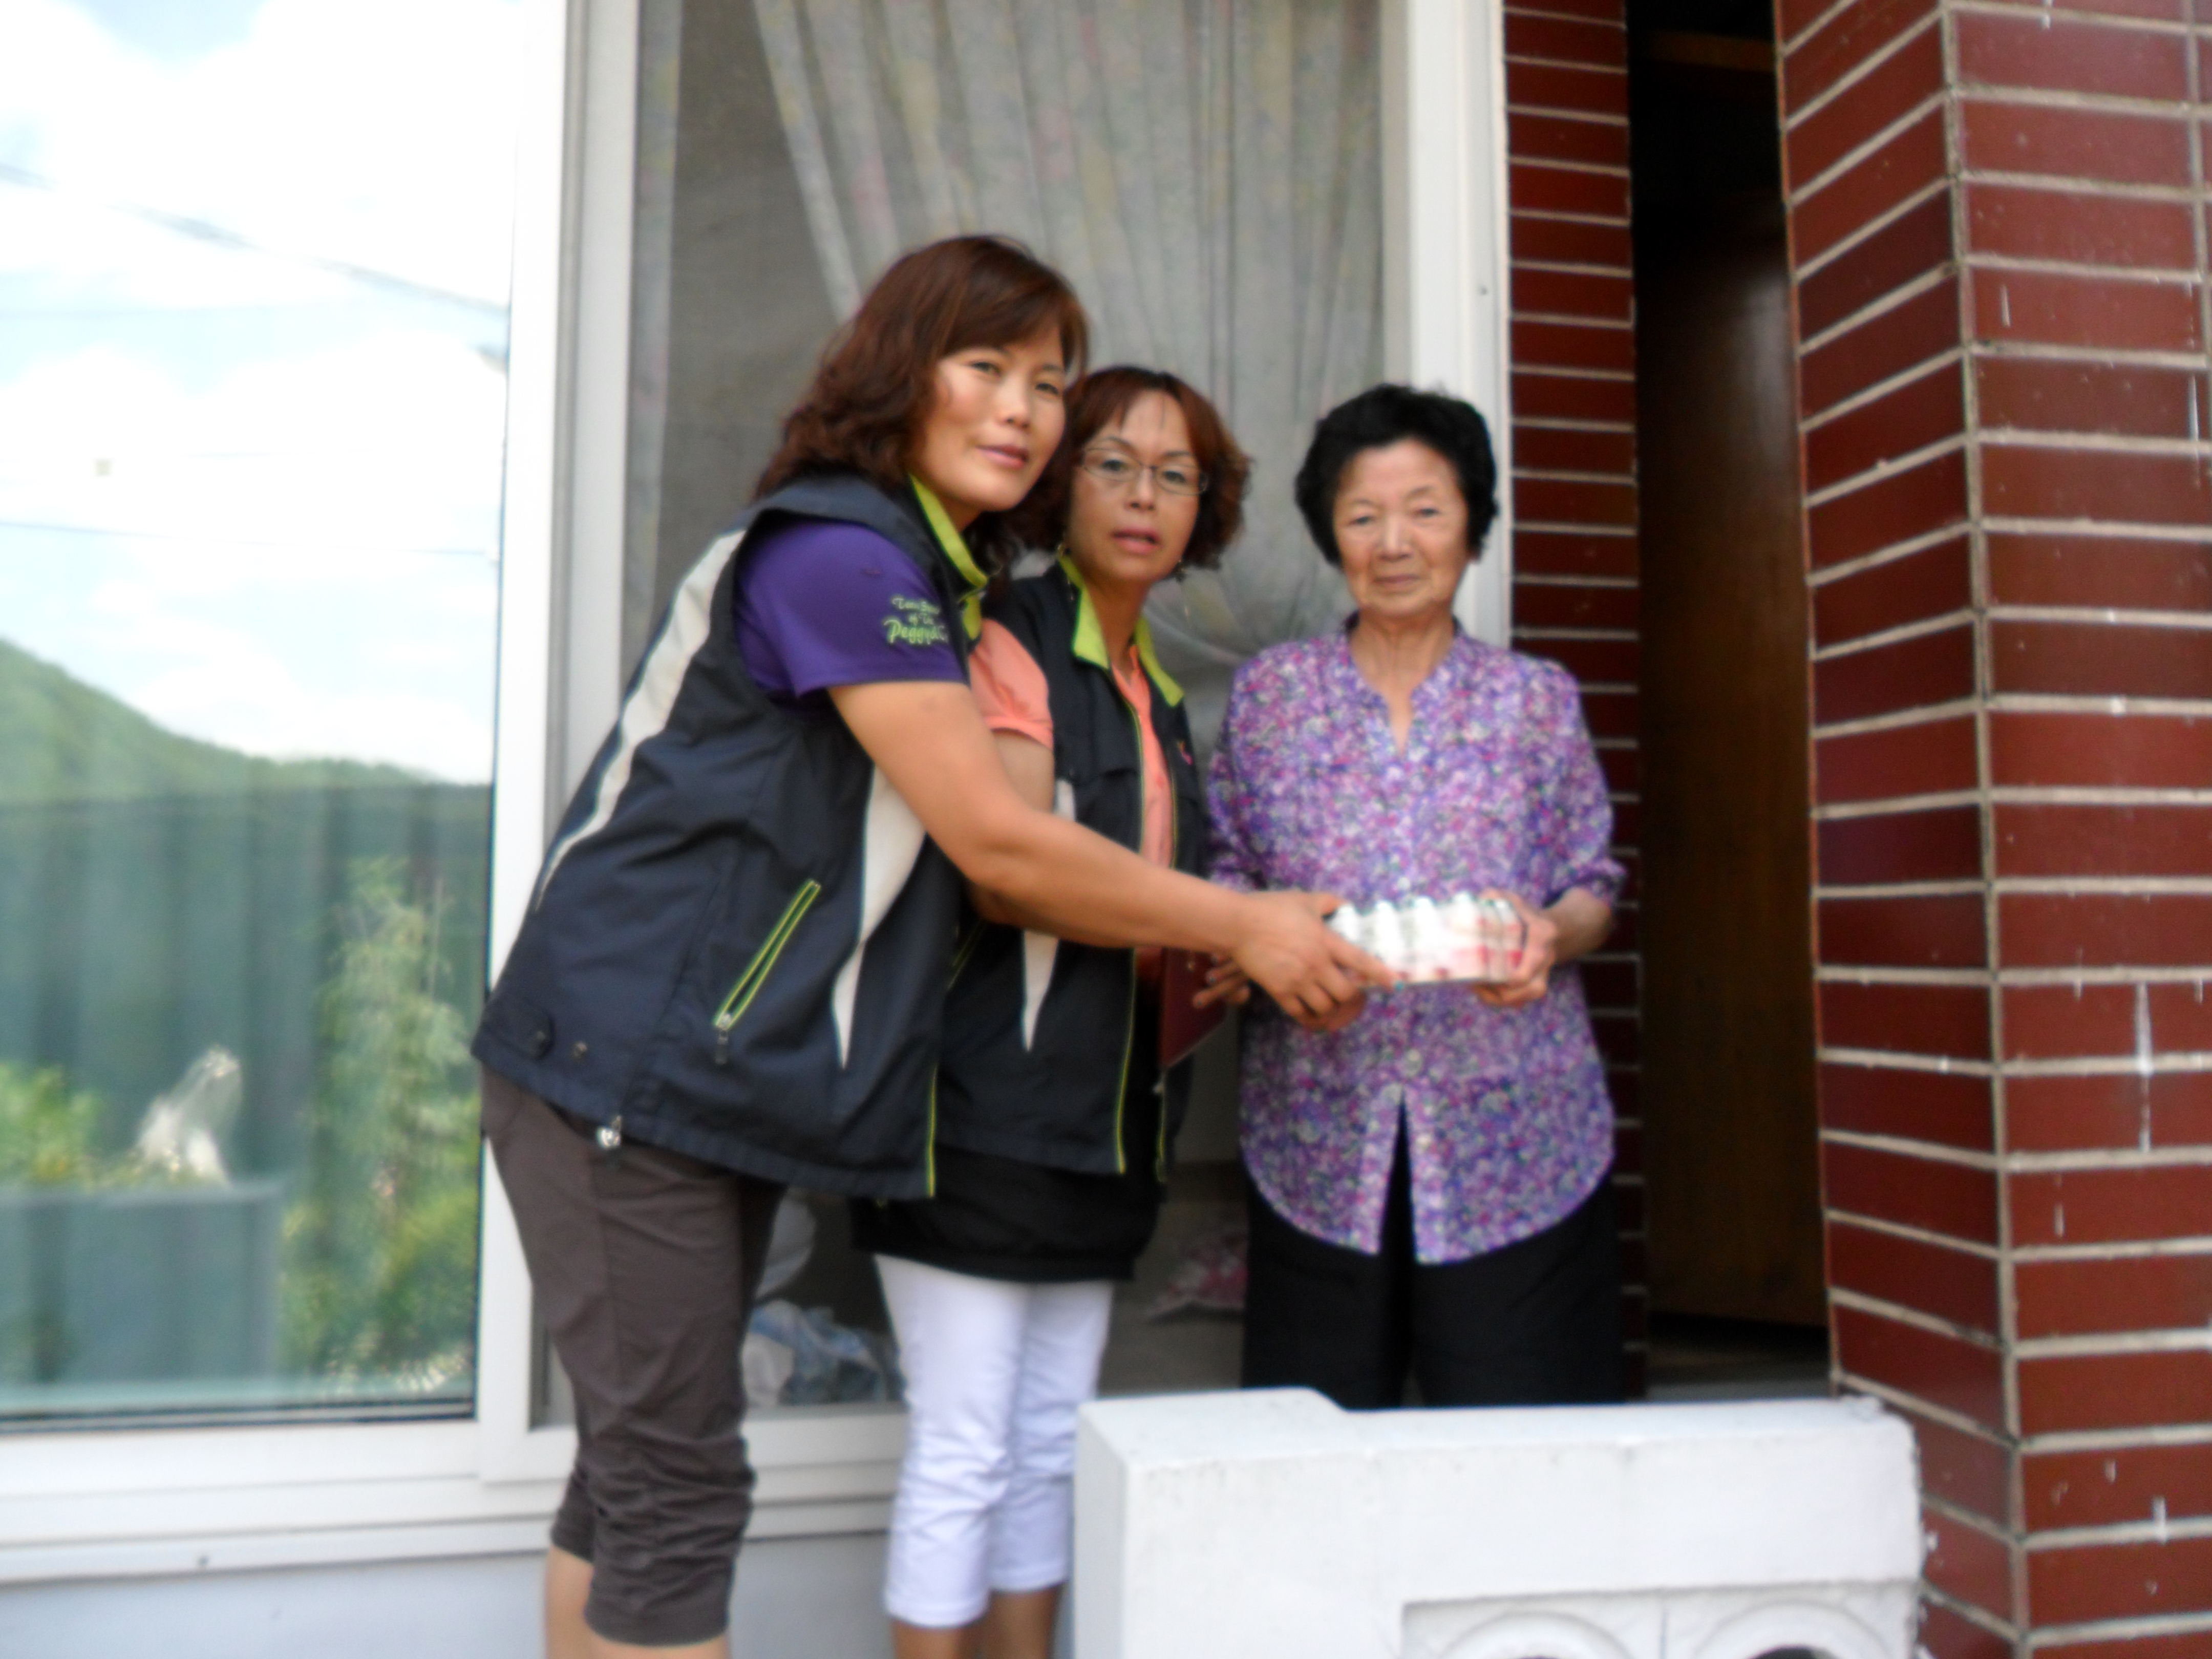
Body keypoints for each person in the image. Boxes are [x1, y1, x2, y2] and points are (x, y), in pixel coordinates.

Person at [470, 238, 1384, 1659]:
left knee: (634, 1476)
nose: (1022, 409)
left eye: (1049, 383)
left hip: (691, 1081)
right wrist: (1247, 921)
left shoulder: (927, 575)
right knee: (676, 1491)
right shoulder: (841, 555)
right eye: (985, 367)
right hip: (623, 1069)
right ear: (903, 370)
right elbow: (1001, 847)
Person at [852, 367, 1249, 1659]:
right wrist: (1224, 924)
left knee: (1047, 1443)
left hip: (1104, 1125)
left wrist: (1219, 954)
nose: (1145, 497)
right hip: (974, 1116)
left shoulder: (1161, 691)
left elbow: (1149, 909)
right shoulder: (1009, 637)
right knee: (966, 1446)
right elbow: (1013, 872)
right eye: (1113, 464)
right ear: (1059, 483)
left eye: (1176, 475)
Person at [1207, 382, 1625, 1412]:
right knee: (1313, 1442)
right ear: (1332, 536)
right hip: (1318, 1129)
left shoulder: (1535, 700)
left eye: (1426, 511)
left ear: (1472, 528)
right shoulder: (1271, 697)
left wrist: (1547, 934)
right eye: (1364, 516)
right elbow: (1227, 877)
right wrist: (1265, 954)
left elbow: (1592, 885)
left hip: (1514, 1137)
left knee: (1518, 1442)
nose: (1395, 543)